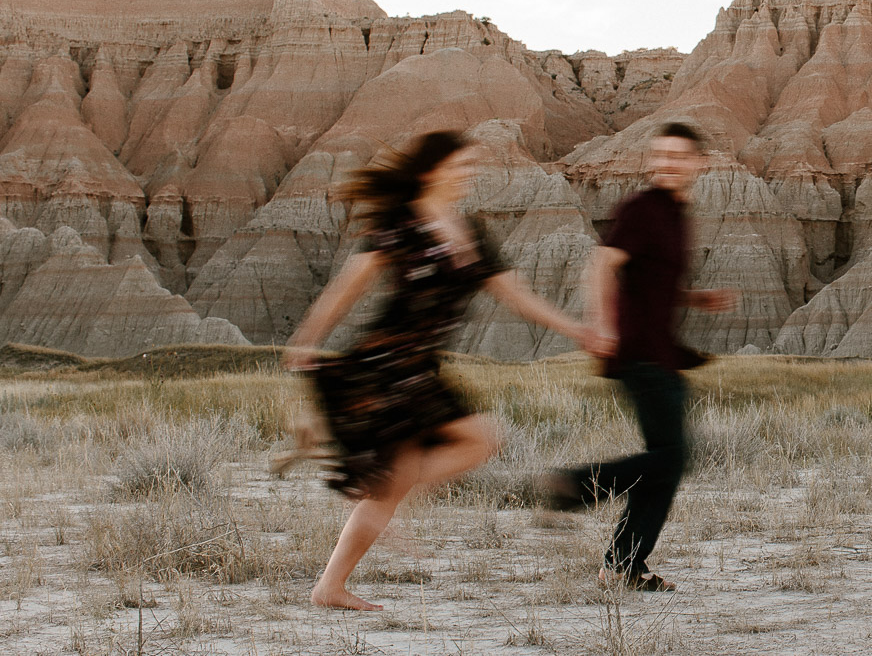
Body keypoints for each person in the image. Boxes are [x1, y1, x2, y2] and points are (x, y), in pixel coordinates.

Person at [285, 130, 597, 610]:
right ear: (432, 170)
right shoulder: (400, 223)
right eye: (460, 164)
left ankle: (332, 581)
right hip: (385, 364)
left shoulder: (470, 233)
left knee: (471, 445)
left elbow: (518, 297)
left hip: (421, 369)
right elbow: (347, 288)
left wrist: (576, 330)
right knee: (476, 440)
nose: (468, 173)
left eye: (472, 165)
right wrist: (307, 339)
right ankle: (336, 575)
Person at [538, 121, 736, 591]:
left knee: (666, 461)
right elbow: (601, 264)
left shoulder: (675, 214)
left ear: (699, 163)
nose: (666, 163)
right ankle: (578, 486)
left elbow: (651, 277)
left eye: (677, 156)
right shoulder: (643, 208)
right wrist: (601, 323)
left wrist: (692, 298)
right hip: (639, 352)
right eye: (659, 154)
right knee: (670, 459)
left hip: (661, 353)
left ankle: (624, 564)